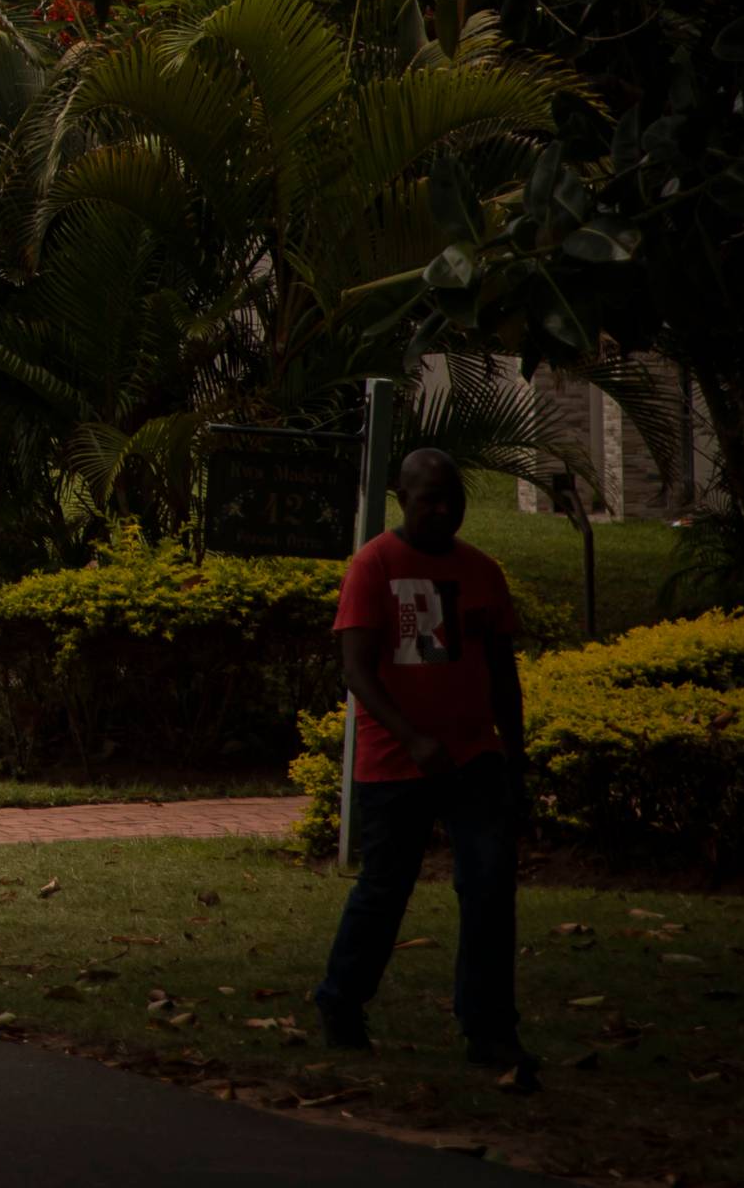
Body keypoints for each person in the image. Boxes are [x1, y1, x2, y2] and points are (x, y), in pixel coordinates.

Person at [313, 445, 535, 1089]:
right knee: (386, 889)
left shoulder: (482, 571)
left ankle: (490, 1029)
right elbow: (355, 668)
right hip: (397, 762)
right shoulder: (374, 564)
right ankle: (341, 1000)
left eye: (453, 499)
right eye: (428, 500)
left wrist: (515, 757)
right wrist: (411, 737)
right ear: (402, 501)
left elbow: (502, 671)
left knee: (490, 889)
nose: (443, 511)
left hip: (475, 758)